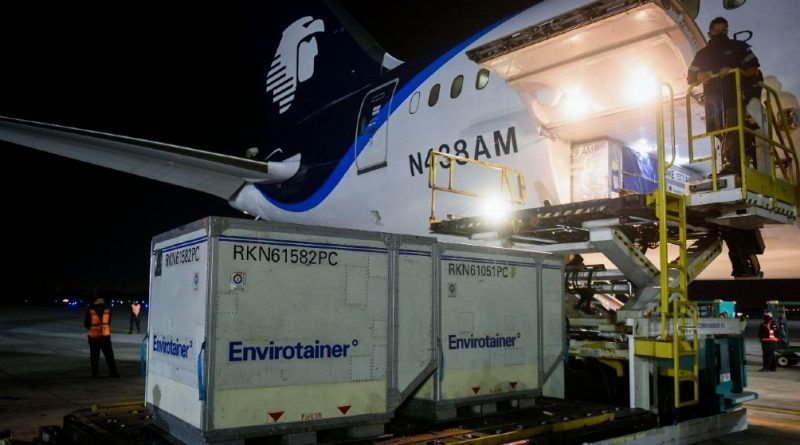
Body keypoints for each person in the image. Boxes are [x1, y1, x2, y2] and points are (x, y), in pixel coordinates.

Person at [687, 17, 763, 176]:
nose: (720, 34)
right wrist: (699, 75)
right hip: (713, 102)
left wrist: (732, 68)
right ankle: (728, 165)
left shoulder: (739, 48)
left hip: (734, 98)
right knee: (718, 132)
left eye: (723, 30)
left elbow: (753, 69)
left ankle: (732, 166)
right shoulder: (703, 55)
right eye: (717, 31)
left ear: (727, 31)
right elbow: (690, 76)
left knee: (733, 131)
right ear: (710, 33)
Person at [84, 298, 121, 378]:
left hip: (101, 337)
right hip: (98, 337)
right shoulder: (103, 310)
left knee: (102, 356)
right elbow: (87, 323)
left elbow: (86, 324)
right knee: (103, 356)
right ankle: (108, 373)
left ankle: (99, 373)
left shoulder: (100, 310)